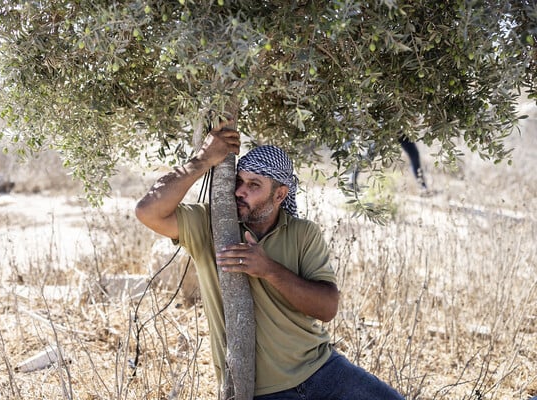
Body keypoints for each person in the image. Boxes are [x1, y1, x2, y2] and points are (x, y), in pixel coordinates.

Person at [135, 120, 405, 399]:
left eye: (254, 185)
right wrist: (203, 159)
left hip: (322, 369)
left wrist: (268, 269)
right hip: (261, 390)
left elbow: (326, 308)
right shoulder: (210, 225)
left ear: (280, 194)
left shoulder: (303, 233)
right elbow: (148, 212)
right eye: (239, 181)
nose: (240, 191)